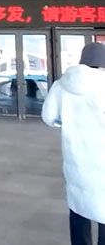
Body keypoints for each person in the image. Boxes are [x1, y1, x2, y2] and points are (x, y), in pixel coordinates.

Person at [42, 42, 105, 245]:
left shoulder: (61, 84)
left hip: (76, 158)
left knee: (78, 208)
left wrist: (67, 124)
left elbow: (48, 117)